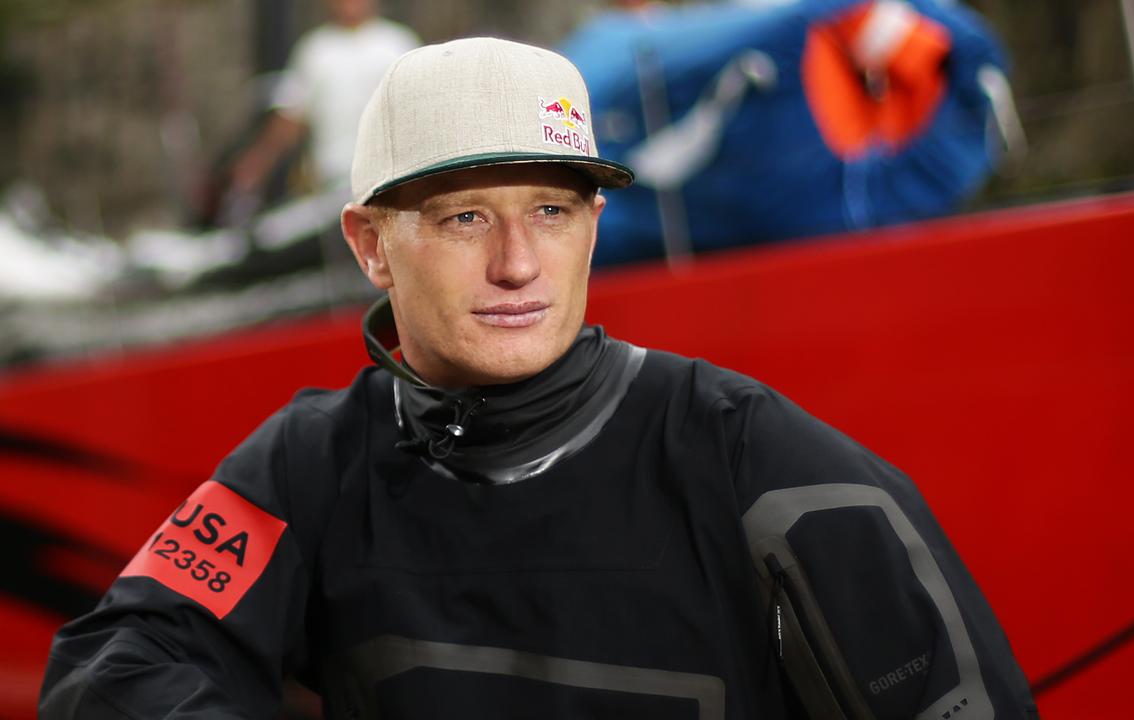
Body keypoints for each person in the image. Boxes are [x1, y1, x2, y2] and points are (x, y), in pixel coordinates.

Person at [40, 38, 1038, 719]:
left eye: (552, 211)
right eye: (465, 216)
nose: (518, 263)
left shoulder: (751, 459)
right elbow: (115, 666)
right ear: (370, 245)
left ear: (592, 225)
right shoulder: (308, 463)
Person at [228, 0, 419, 198]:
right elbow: (291, 118)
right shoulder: (315, 49)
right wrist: (255, 164)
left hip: (389, 179)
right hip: (331, 183)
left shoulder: (398, 44)